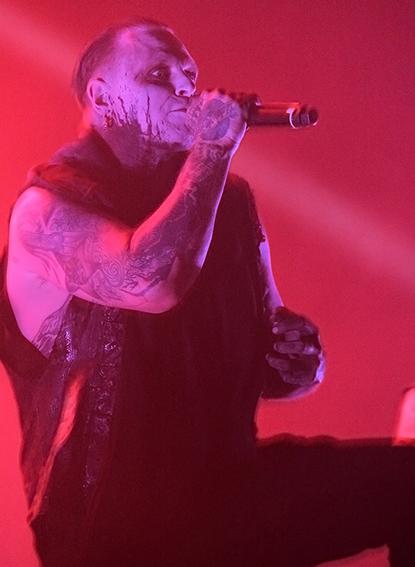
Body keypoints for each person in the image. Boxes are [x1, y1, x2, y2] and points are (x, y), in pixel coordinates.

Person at [0, 17, 414, 567]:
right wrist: (213, 149)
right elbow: (154, 280)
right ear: (100, 97)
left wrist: (297, 362)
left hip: (225, 495)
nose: (185, 89)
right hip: (113, 535)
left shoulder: (229, 202)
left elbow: (270, 359)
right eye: (158, 75)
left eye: (190, 77)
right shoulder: (47, 209)